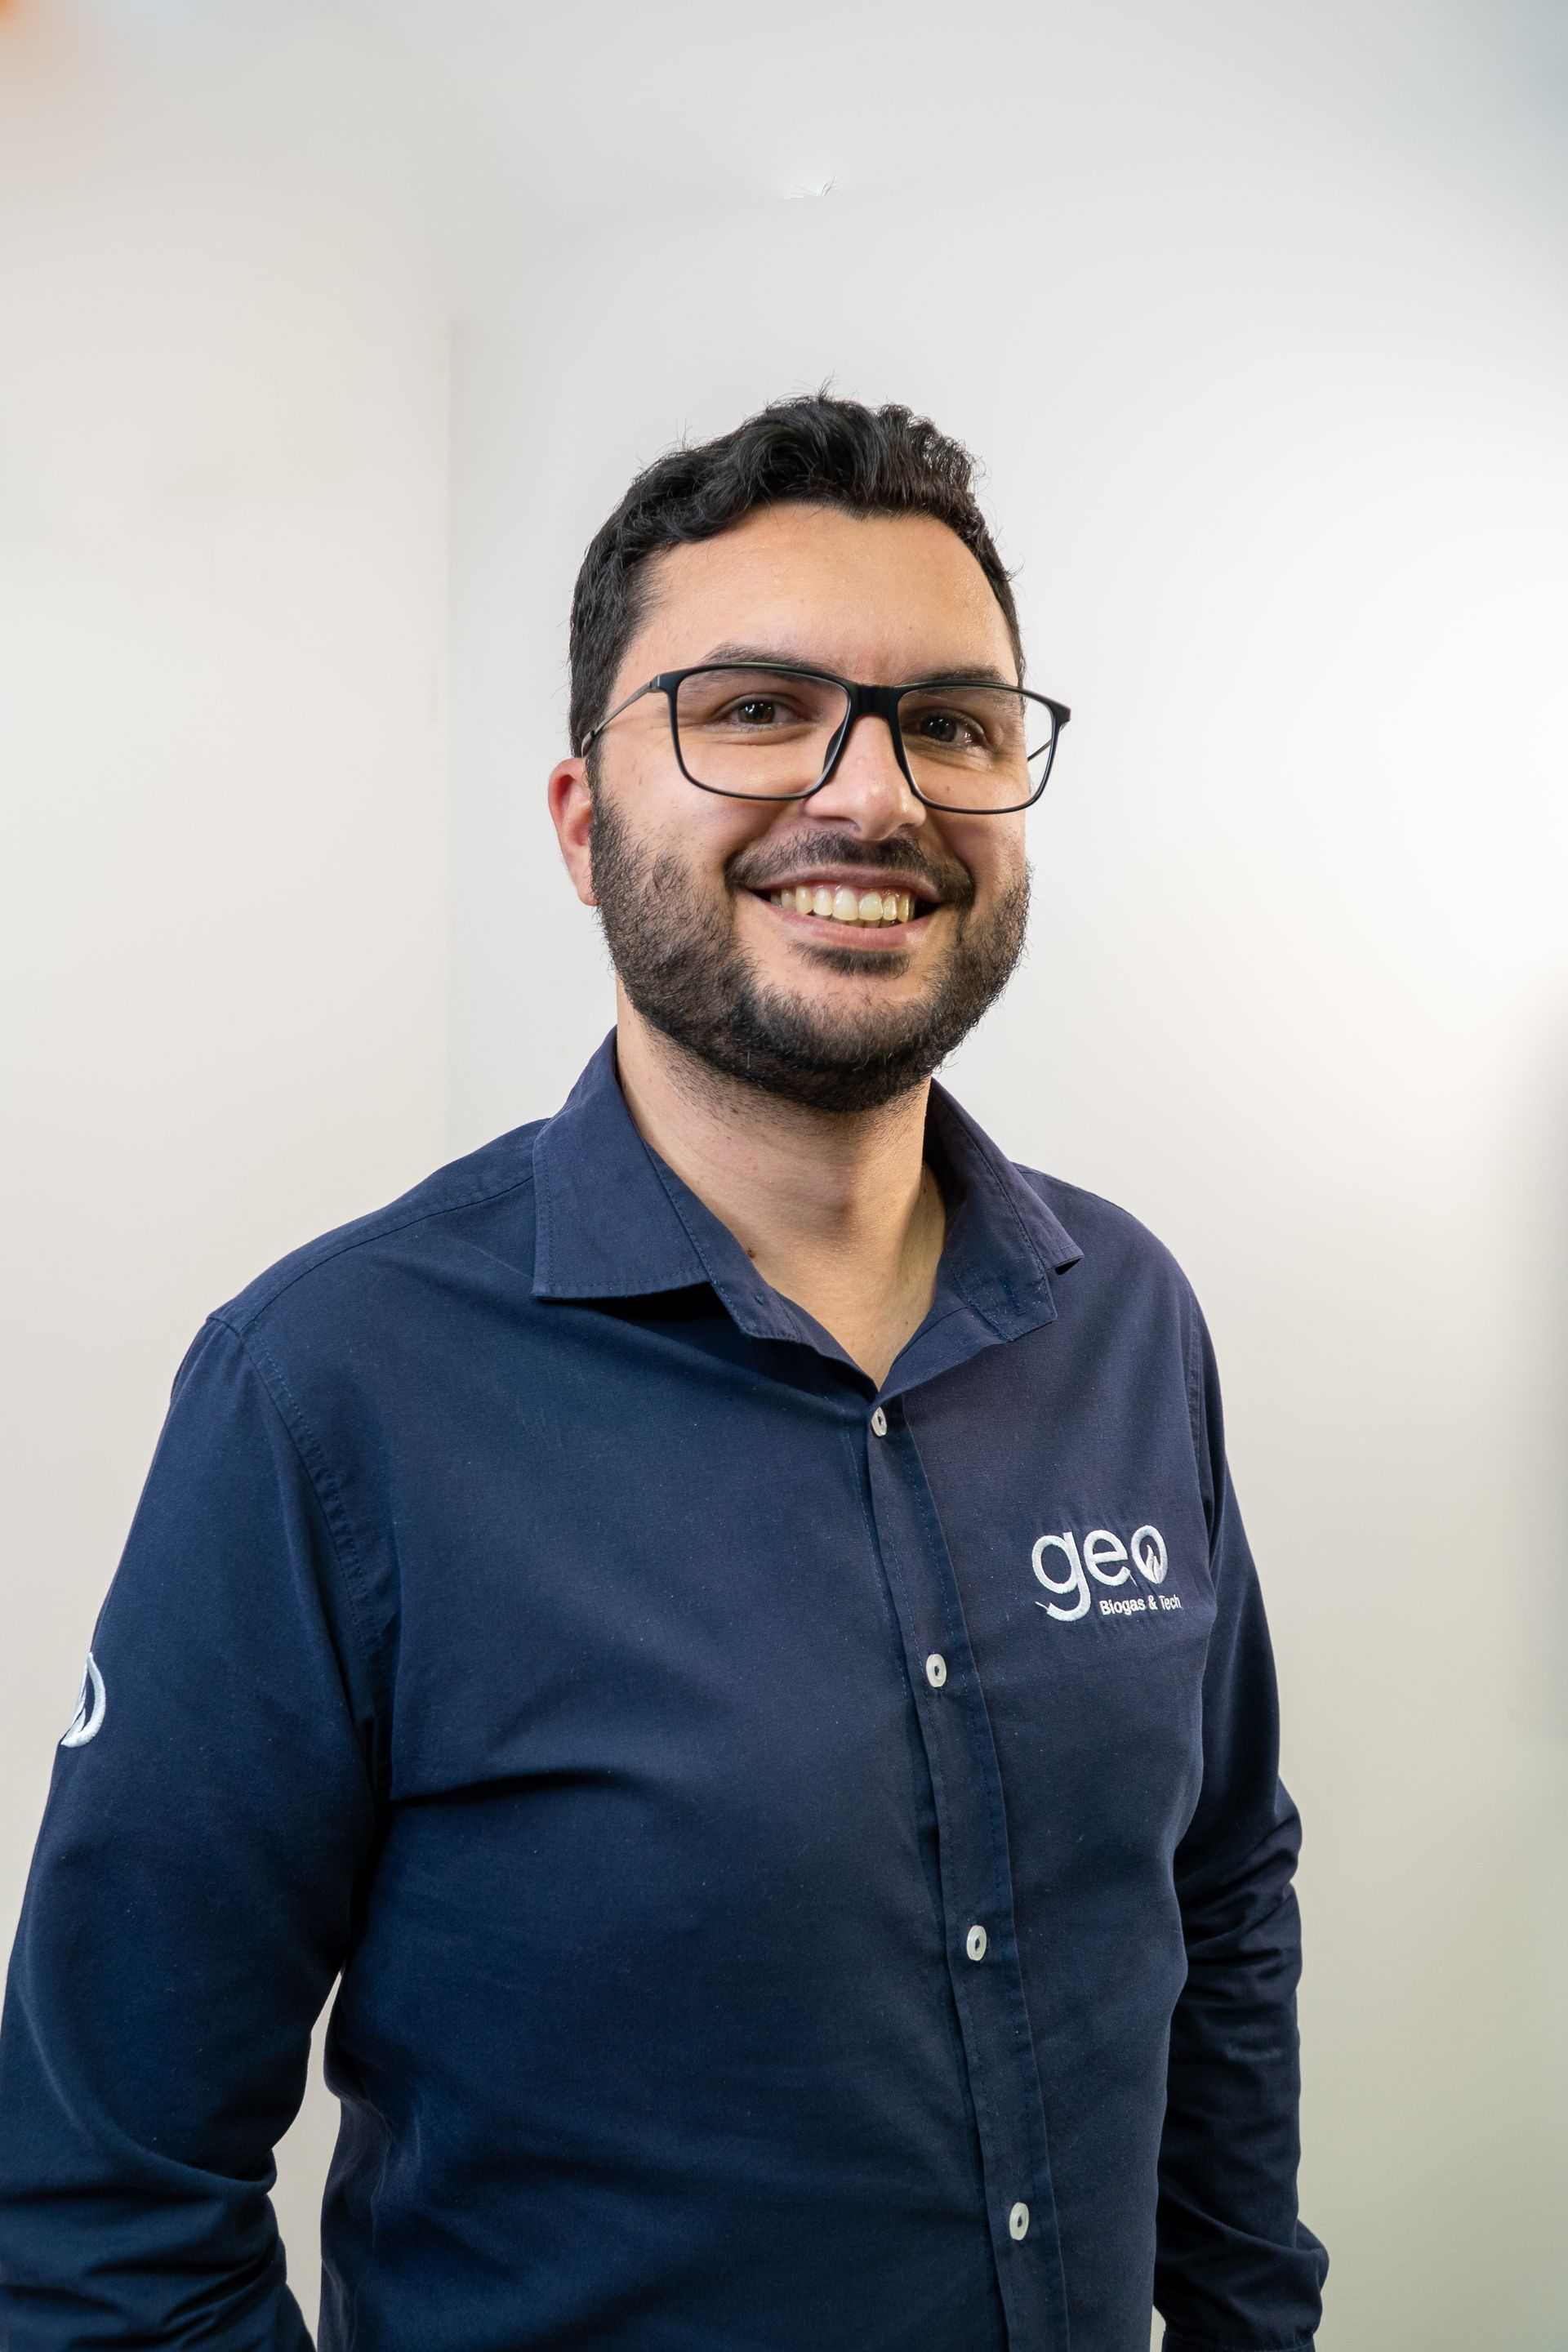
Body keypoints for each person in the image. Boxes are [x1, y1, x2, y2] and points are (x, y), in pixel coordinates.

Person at [0, 395, 1327, 2351]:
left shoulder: (1125, 1313)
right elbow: (103, 2202)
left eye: (951, 722)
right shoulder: (332, 1392)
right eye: (758, 708)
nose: (871, 796)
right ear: (582, 819)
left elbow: (1219, 1901)